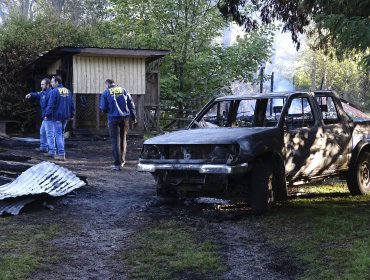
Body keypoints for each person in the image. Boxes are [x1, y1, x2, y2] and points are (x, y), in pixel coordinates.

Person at [100, 79, 136, 170]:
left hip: (113, 118)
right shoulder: (124, 90)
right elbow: (131, 104)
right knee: (123, 139)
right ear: (115, 83)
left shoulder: (106, 93)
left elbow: (103, 108)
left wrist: (109, 111)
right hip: (125, 118)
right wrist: (133, 116)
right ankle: (123, 160)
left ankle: (117, 164)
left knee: (115, 141)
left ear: (107, 84)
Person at [44, 75, 75, 161]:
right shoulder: (68, 91)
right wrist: (72, 114)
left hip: (57, 117)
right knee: (61, 134)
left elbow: (51, 105)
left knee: (58, 135)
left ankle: (61, 154)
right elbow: (72, 104)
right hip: (65, 116)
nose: (51, 84)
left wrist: (47, 114)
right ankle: (60, 153)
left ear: (57, 82)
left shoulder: (54, 91)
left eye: (52, 82)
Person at [25, 78, 52, 153]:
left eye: (42, 84)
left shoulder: (51, 93)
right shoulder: (43, 93)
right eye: (41, 84)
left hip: (49, 116)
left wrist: (47, 114)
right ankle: (44, 147)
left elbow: (51, 106)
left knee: (49, 133)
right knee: (43, 131)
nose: (41, 86)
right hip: (45, 116)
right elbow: (37, 94)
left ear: (47, 85)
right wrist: (30, 94)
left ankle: (51, 150)